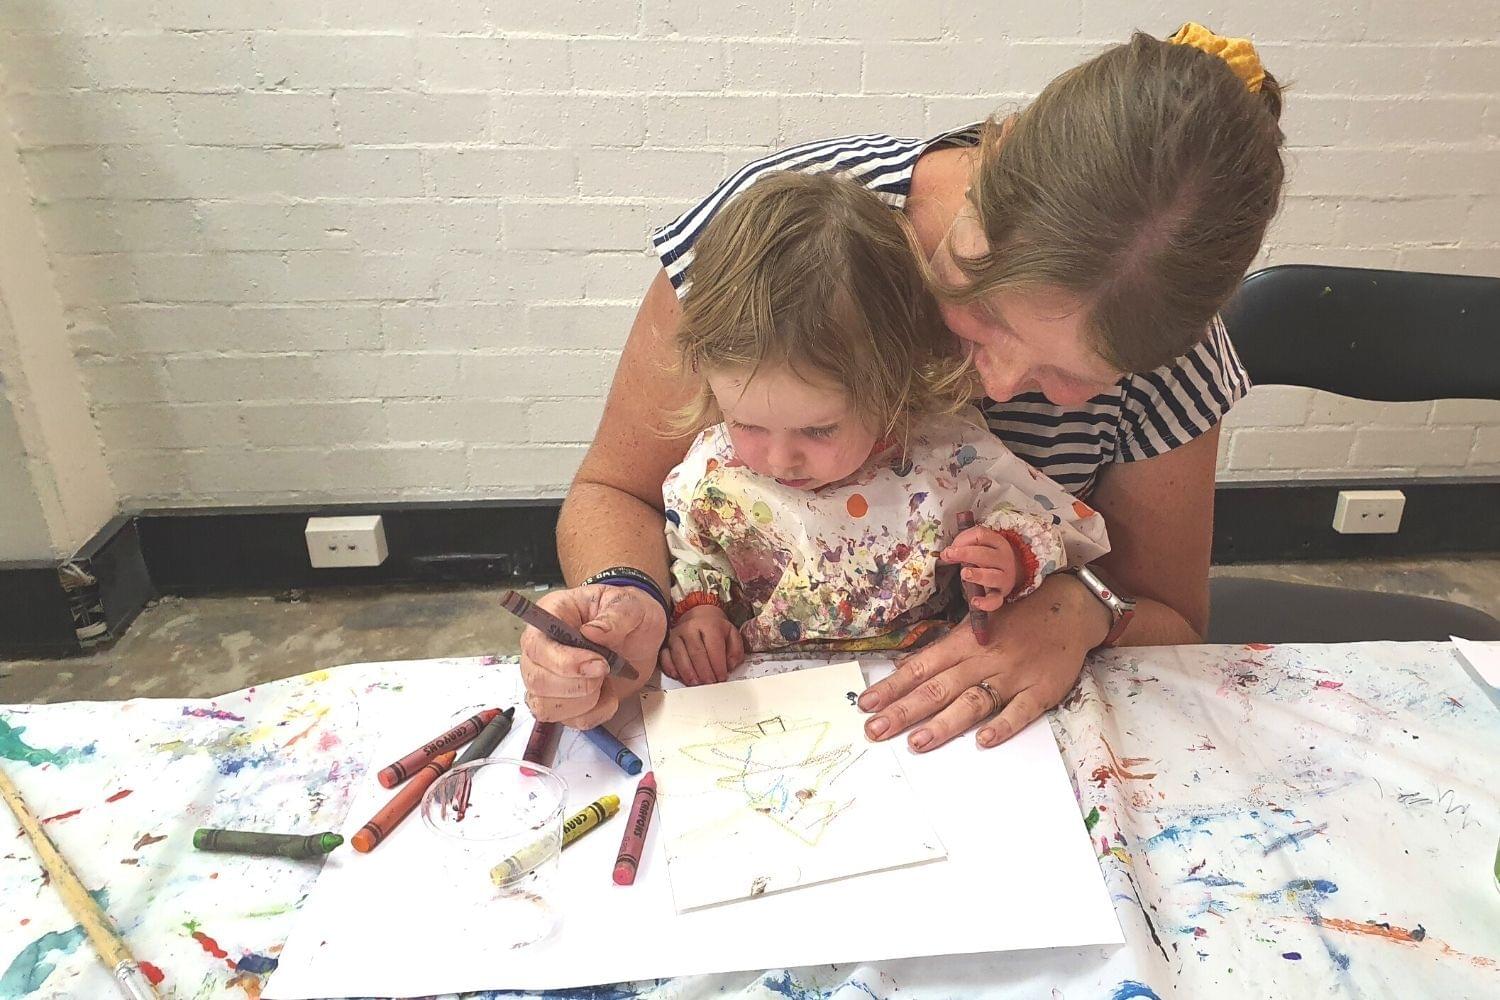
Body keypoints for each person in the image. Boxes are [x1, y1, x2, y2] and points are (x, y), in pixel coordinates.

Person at [518, 25, 1284, 753]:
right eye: (985, 311)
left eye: (1073, 377)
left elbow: (1173, 619)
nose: (998, 384)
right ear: (990, 163)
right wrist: (632, 600)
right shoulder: (772, 248)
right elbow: (618, 490)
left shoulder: (1173, 346)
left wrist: (1084, 611)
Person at [658, 170, 1111, 685]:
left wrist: (1010, 556)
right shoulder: (714, 469)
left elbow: (1065, 530)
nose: (779, 459)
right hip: (763, 694)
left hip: (924, 681)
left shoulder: (952, 459)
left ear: (892, 385)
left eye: (819, 430)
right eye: (747, 423)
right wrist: (701, 612)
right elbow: (692, 548)